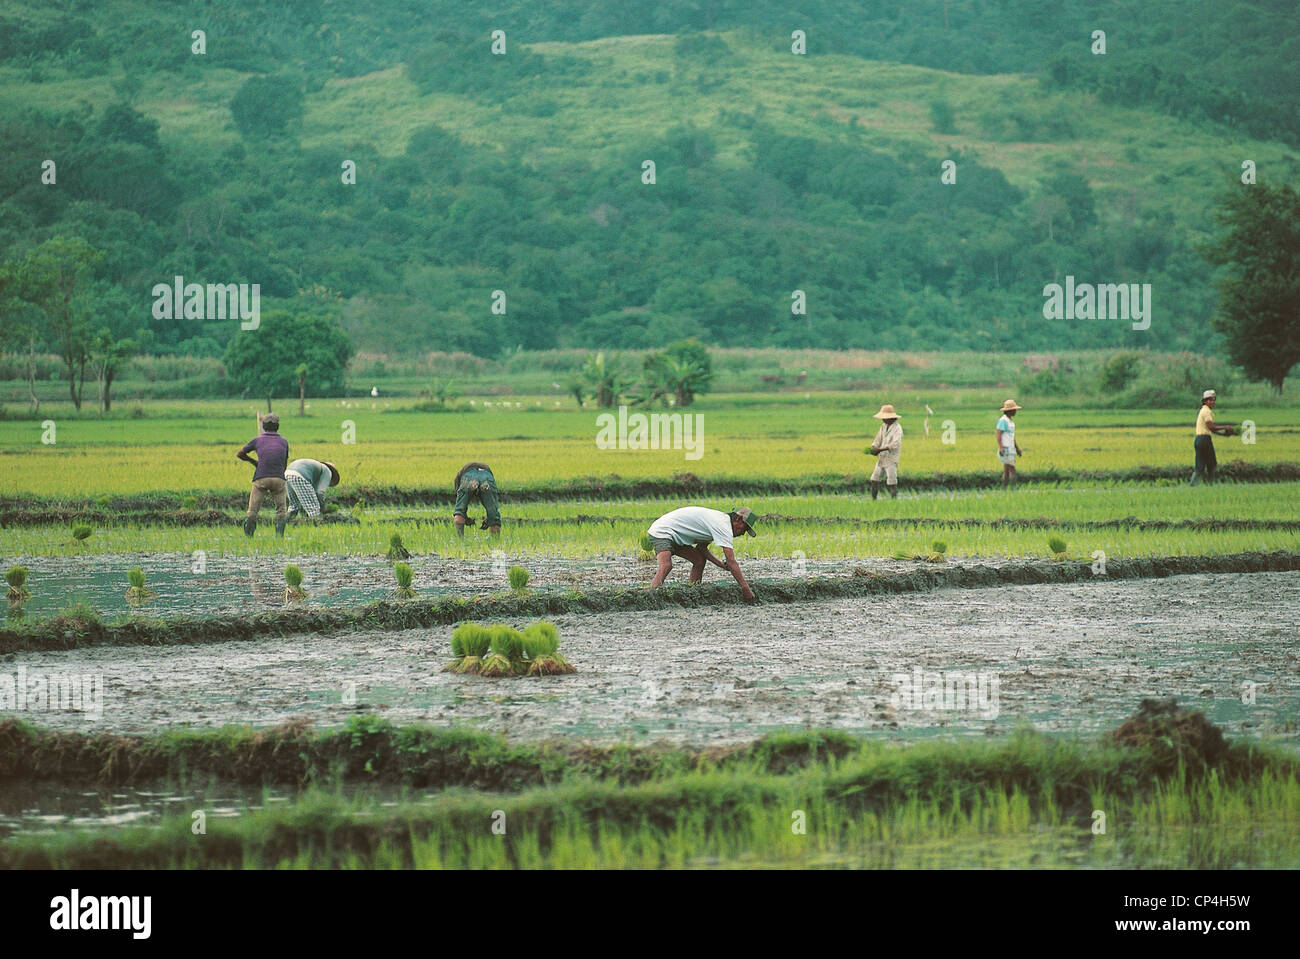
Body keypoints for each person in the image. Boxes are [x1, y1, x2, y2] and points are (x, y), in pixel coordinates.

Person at [647, 506, 757, 602]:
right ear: (738, 519)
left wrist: (721, 565)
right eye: (745, 528)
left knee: (699, 560)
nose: (743, 533)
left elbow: (702, 548)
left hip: (676, 535)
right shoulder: (723, 526)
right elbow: (731, 561)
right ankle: (651, 596)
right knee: (666, 565)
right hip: (662, 531)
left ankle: (693, 594)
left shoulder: (719, 522)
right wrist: (745, 589)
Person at [236, 412, 289, 537]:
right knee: (281, 511)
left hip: (261, 477)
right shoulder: (284, 442)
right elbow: (284, 462)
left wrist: (255, 462)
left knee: (253, 510)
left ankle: (249, 537)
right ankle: (279, 537)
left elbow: (240, 454)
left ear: (264, 426)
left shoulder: (257, 440)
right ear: (278, 426)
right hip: (279, 478)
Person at [1192, 389, 1235, 485]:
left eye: (1214, 400)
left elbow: (1210, 430)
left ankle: (1193, 486)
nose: (1213, 402)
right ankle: (1210, 485)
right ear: (1205, 401)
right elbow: (1211, 427)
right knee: (1212, 464)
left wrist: (1224, 434)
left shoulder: (1202, 410)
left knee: (1199, 466)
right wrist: (1226, 427)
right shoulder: (1207, 412)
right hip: (1205, 441)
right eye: (1210, 400)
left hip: (1199, 440)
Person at [453, 461, 500, 537]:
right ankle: (495, 544)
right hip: (487, 477)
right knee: (494, 517)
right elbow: (492, 506)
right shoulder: (488, 475)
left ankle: (460, 542)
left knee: (459, 511)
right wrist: (490, 519)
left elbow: (459, 515)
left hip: (467, 477)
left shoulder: (459, 481)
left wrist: (464, 516)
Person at [867, 403, 903, 499]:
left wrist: (880, 449)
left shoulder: (897, 428)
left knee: (892, 482)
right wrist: (874, 447)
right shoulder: (883, 426)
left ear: (890, 418)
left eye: (884, 417)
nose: (882, 419)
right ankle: (873, 501)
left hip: (891, 459)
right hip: (881, 458)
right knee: (874, 480)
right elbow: (878, 439)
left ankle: (894, 501)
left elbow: (895, 444)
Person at [995, 399, 1022, 488]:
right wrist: (1001, 447)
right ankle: (1013, 489)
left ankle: (1005, 488)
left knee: (1006, 470)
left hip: (1010, 448)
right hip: (1006, 448)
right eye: (1014, 410)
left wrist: (1017, 448)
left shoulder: (1010, 421)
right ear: (1010, 411)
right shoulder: (1003, 421)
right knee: (1012, 469)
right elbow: (998, 434)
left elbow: (1011, 437)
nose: (1015, 411)